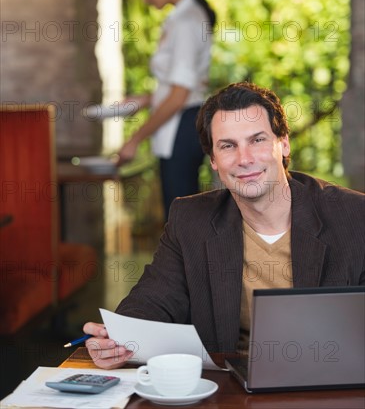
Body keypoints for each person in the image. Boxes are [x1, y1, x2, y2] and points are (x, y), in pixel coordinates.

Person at [83, 81, 365, 369]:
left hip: (331, 382)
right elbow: (153, 300)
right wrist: (118, 339)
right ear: (214, 160)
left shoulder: (355, 216)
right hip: (229, 389)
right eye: (228, 146)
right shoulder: (191, 220)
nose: (245, 159)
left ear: (283, 143)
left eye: (257, 140)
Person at [116, 0, 216, 219]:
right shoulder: (184, 17)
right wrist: (147, 99)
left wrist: (135, 140)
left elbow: (179, 95)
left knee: (181, 220)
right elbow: (181, 85)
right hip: (183, 122)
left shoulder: (186, 21)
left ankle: (191, 264)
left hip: (182, 126)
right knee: (183, 218)